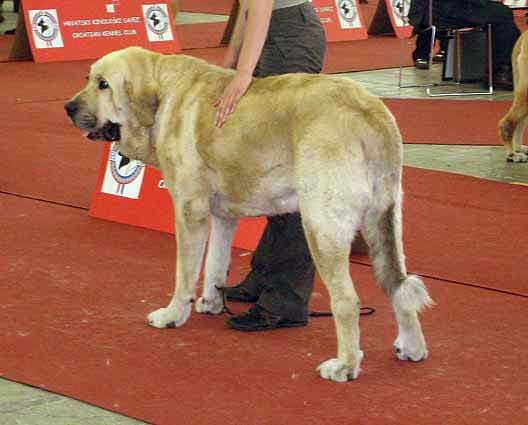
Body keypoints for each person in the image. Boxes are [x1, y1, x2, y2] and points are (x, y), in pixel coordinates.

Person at [213, 0, 327, 331]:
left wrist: (243, 73)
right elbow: (246, 7)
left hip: (289, 37)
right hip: (269, 34)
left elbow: (260, 5)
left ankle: (286, 298)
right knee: (272, 170)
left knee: (288, 173)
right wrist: (230, 62)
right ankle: (265, 276)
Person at [409, 0, 520, 89]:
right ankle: (499, 71)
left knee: (500, 14)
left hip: (432, 8)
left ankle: (501, 69)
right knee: (501, 13)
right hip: (439, 9)